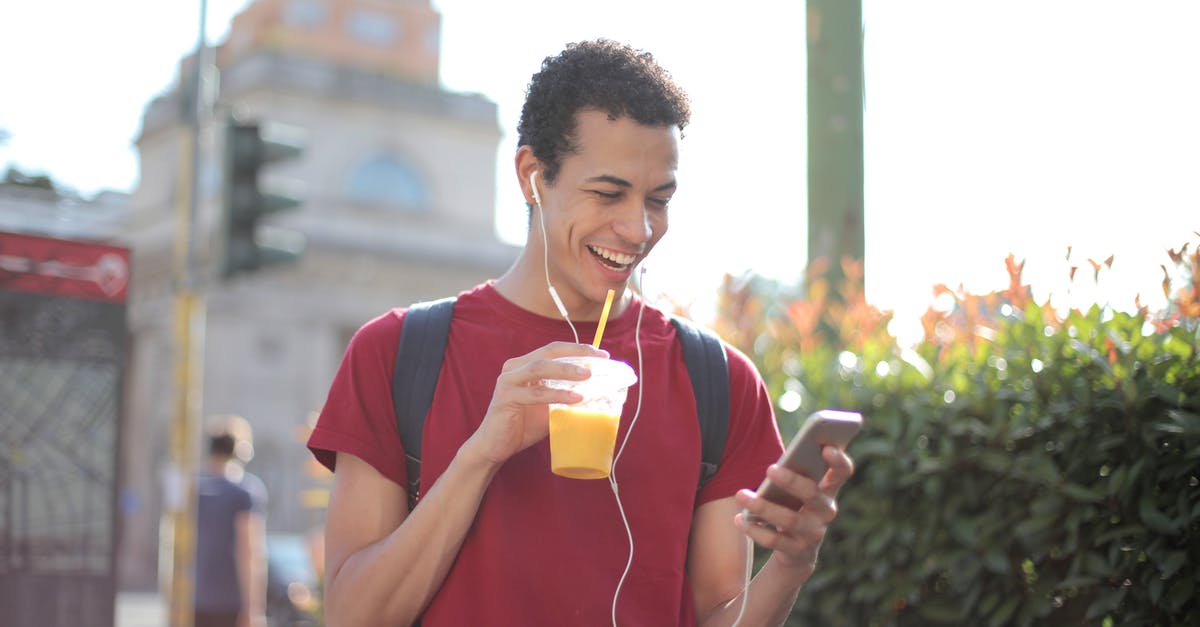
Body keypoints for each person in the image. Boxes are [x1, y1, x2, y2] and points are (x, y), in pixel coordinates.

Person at [307, 38, 855, 626]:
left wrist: (792, 565)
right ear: (532, 177)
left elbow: (720, 614)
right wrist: (481, 455)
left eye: (659, 199)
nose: (638, 228)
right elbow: (350, 617)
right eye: (608, 193)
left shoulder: (719, 381)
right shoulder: (397, 354)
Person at [195, 414, 268, 627]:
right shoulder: (245, 492)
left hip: (194, 597)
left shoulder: (194, 490)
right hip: (230, 601)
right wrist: (253, 608)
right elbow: (250, 551)